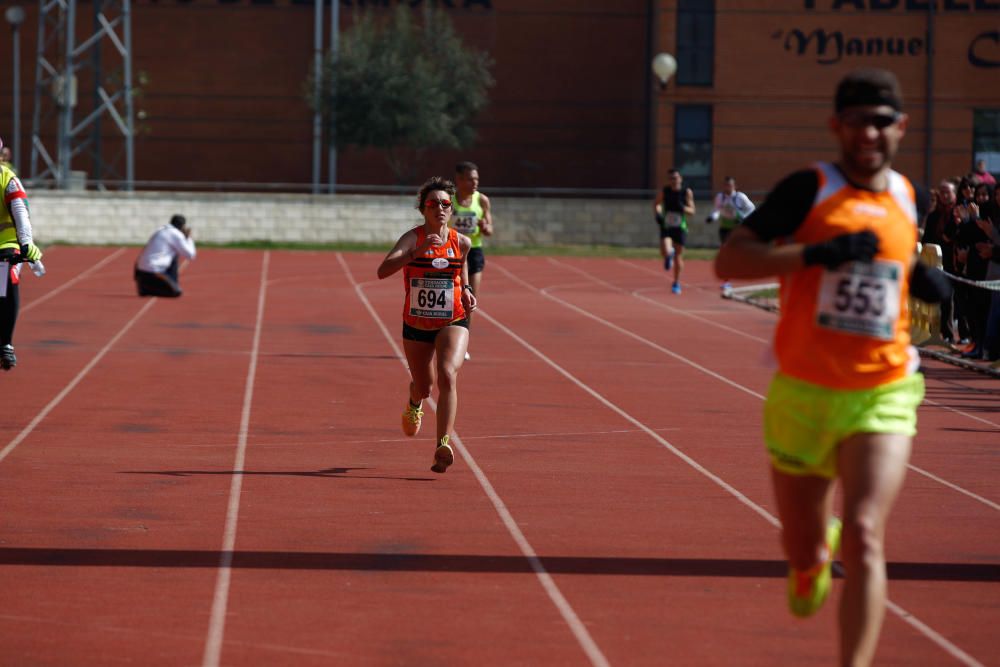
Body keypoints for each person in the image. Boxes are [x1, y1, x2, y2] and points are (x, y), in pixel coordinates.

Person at [714, 69, 951, 667]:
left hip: (885, 387)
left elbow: (888, 271)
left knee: (868, 533)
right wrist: (815, 253)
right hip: (805, 392)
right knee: (804, 546)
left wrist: (926, 283)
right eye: (855, 120)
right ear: (835, 125)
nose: (868, 133)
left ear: (900, 127)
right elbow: (730, 260)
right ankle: (810, 560)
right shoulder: (809, 189)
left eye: (880, 121)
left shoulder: (907, 195)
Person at [377, 177, 477, 474]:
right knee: (425, 386)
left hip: (454, 318)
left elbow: (463, 271)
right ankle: (414, 400)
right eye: (434, 204)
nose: (441, 209)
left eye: (446, 204)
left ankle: (442, 444)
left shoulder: (462, 242)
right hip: (417, 323)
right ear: (423, 209)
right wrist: (414, 254)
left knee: (448, 374)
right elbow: (383, 270)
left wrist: (468, 291)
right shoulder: (413, 238)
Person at [0, 136, 44, 371]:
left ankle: (5, 343)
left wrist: (26, 244)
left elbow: (21, 214)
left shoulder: (8, 179)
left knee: (6, 282)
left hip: (6, 244)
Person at [450, 161, 493, 360]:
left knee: (469, 298)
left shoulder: (482, 200)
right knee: (449, 297)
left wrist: (485, 227)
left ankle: (462, 342)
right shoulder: (449, 201)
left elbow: (489, 230)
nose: (474, 183)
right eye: (470, 179)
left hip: (473, 252)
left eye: (476, 179)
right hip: (450, 252)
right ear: (458, 179)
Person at [706, 176, 755, 293]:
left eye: (730, 185)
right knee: (725, 251)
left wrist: (743, 217)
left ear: (734, 186)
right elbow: (717, 210)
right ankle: (726, 281)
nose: (727, 188)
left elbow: (752, 208)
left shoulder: (740, 197)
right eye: (726, 185)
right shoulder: (720, 197)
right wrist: (712, 217)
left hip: (737, 228)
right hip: (724, 228)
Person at [654, 168, 695, 294]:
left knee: (678, 255)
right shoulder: (665, 191)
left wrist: (682, 208)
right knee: (665, 250)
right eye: (671, 178)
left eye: (676, 178)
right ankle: (668, 254)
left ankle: (676, 283)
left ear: (680, 179)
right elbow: (656, 204)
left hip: (680, 227)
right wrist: (658, 215)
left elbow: (692, 211)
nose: (673, 181)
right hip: (666, 224)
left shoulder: (686, 192)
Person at [134, 214, 196, 297]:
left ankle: (146, 288)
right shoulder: (176, 234)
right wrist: (188, 237)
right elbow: (191, 255)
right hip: (154, 271)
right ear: (182, 226)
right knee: (176, 292)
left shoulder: (160, 229)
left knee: (173, 251)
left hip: (140, 270)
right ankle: (152, 289)